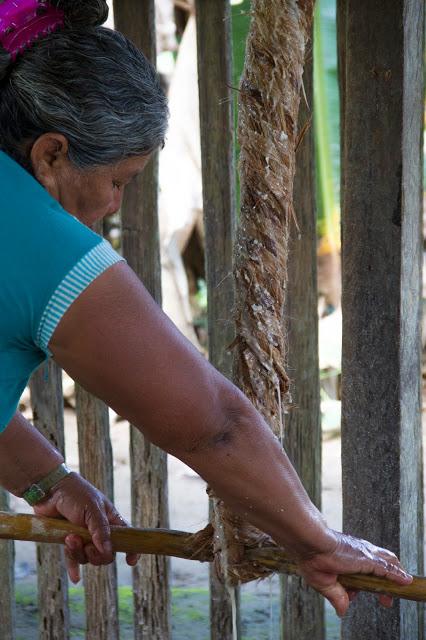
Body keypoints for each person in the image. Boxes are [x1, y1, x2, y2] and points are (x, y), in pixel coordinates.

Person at [0, 0, 412, 618]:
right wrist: (317, 542)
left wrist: (50, 481)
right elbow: (212, 422)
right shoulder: (40, 240)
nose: (114, 204)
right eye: (119, 181)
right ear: (52, 154)